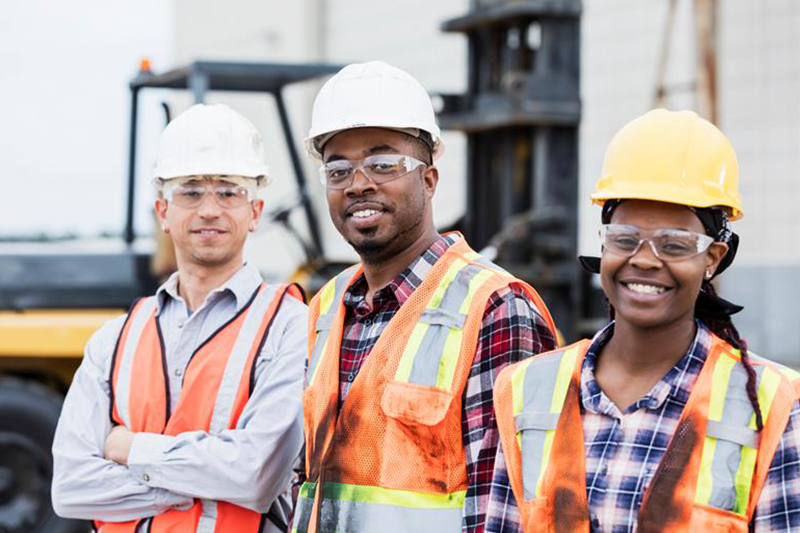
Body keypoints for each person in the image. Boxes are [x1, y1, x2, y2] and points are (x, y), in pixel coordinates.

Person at [486, 109, 800, 532]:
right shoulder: (527, 391)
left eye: (674, 244)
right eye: (625, 239)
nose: (645, 260)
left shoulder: (773, 406)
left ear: (713, 258)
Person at [290, 61, 559, 533]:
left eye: (383, 163)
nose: (358, 184)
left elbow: (507, 511)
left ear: (429, 180)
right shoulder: (325, 307)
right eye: (338, 169)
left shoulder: (494, 308)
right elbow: (306, 481)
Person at [52, 104, 308, 533]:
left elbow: (258, 476)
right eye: (190, 192)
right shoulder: (114, 339)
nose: (209, 209)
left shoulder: (290, 325)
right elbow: (71, 488)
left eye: (229, 192)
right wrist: (207, 479)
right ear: (162, 212)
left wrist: (131, 449)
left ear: (256, 212)